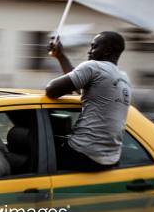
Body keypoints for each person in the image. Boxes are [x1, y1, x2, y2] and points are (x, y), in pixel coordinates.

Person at [46, 31, 131, 171]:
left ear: (107, 51)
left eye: (94, 47)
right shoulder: (123, 78)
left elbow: (51, 90)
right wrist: (60, 56)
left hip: (82, 153)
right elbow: (81, 87)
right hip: (110, 159)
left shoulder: (93, 66)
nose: (89, 51)